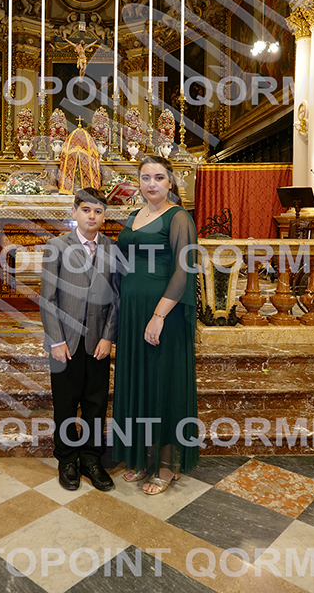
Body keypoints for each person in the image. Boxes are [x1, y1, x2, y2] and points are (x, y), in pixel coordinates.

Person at [112, 155, 199, 494]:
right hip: (133, 312)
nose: (151, 184)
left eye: (159, 177)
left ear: (171, 182)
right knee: (138, 381)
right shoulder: (134, 216)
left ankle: (165, 465)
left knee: (163, 384)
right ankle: (141, 457)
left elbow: (184, 269)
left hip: (164, 313)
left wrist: (159, 315)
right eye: (145, 177)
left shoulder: (178, 217)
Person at [39, 187, 120, 492]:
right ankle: (67, 458)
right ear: (74, 212)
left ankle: (91, 458)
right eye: (86, 210)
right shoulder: (57, 246)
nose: (92, 216)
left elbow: (116, 298)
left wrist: (108, 337)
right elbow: (47, 298)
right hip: (65, 341)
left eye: (98, 211)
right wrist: (56, 341)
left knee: (95, 403)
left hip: (97, 341)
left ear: (104, 216)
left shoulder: (112, 249)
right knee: (65, 402)